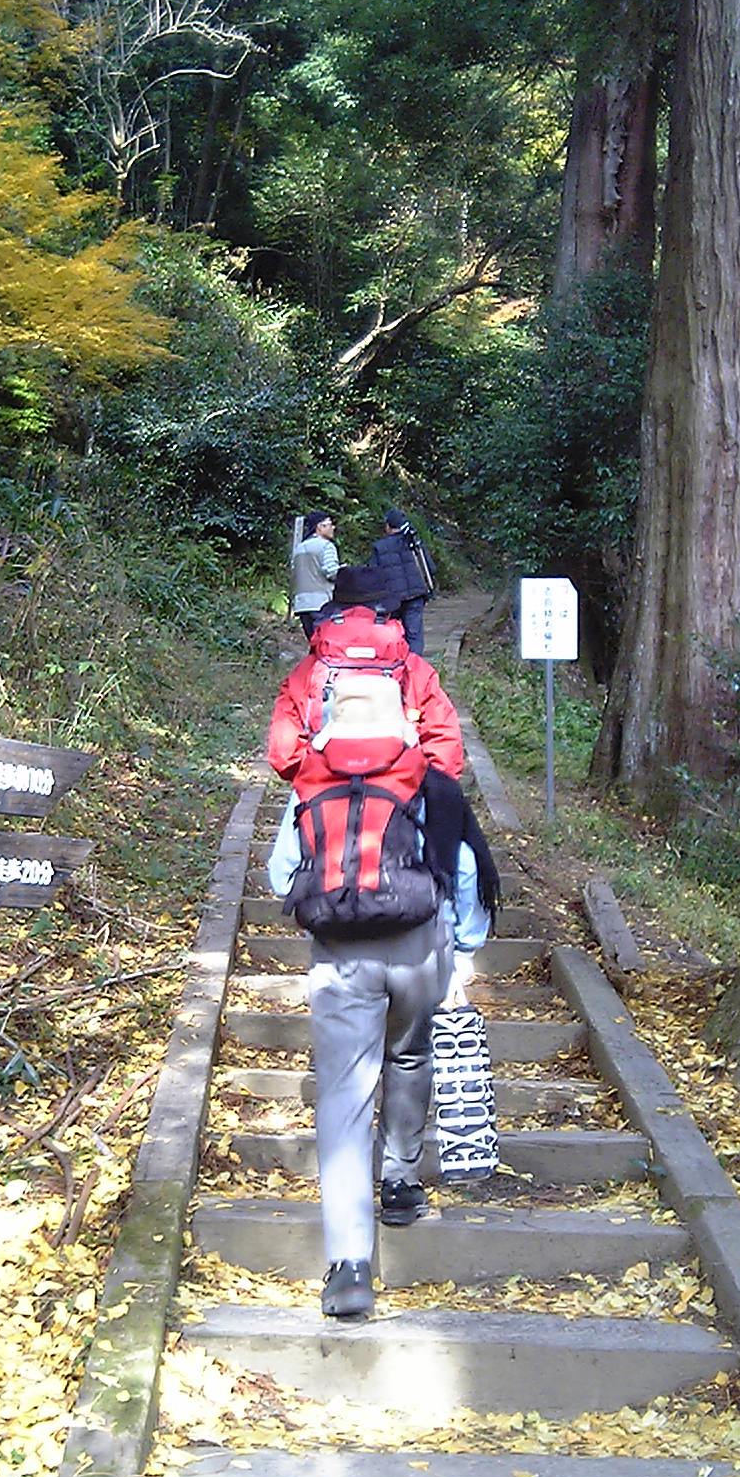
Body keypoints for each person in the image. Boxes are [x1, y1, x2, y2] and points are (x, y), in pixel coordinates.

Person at [265, 567, 485, 1320]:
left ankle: (349, 1266)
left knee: (341, 1096)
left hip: (340, 944)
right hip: (420, 937)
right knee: (413, 1053)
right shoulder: (417, 681)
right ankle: (400, 1176)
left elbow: (278, 856)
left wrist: (323, 812)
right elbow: (451, 778)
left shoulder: (308, 688)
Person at [267, 564, 463, 785]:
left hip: (322, 793)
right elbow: (445, 744)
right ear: (387, 611)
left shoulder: (308, 671)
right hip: (399, 793)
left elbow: (284, 753)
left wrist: (315, 776)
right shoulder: (415, 670)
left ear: (334, 609)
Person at [368, 508, 435, 656]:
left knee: (393, 631)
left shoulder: (379, 547)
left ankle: (395, 662)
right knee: (414, 633)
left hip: (392, 597)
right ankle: (415, 666)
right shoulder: (414, 542)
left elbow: (373, 574)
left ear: (388, 526)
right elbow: (430, 567)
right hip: (416, 594)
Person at [290, 510, 340, 641]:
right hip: (322, 604)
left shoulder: (299, 548)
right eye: (329, 524)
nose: (332, 527)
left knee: (313, 643)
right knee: (325, 644)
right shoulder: (326, 546)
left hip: (302, 604)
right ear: (320, 527)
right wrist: (345, 572)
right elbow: (332, 572)